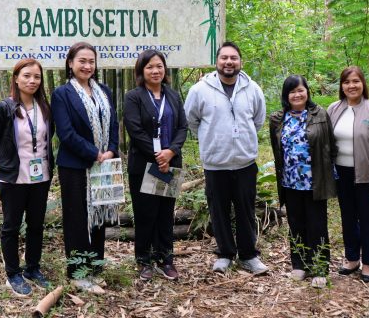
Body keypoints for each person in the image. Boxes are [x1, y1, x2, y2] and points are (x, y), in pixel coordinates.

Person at [184, 41, 268, 275]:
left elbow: (258, 120)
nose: (229, 62)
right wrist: (213, 139)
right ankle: (224, 254)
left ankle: (249, 255)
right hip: (215, 162)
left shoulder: (253, 89)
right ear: (217, 61)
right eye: (224, 58)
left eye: (234, 58)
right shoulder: (200, 90)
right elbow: (191, 119)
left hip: (245, 162)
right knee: (218, 211)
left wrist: (243, 139)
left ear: (240, 62)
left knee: (245, 210)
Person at [51, 42, 119, 289]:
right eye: (82, 61)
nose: (87, 66)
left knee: (98, 214)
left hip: (104, 164)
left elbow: (113, 123)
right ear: (70, 63)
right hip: (75, 166)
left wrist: (111, 149)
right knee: (77, 217)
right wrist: (94, 153)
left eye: (91, 61)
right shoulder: (62, 94)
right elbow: (65, 133)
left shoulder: (104, 90)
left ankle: (96, 266)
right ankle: (79, 272)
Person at [0, 59, 54, 296]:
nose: (32, 81)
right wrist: (6, 166)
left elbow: (47, 140)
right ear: (16, 78)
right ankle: (13, 273)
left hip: (40, 178)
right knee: (11, 227)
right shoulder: (4, 108)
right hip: (13, 180)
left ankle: (32, 268)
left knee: (36, 225)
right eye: (26, 76)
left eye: (36, 76)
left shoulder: (44, 107)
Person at [123, 50, 188, 281]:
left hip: (169, 163)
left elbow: (182, 127)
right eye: (150, 67)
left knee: (165, 213)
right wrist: (157, 155)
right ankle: (144, 259)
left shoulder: (172, 95)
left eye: (159, 66)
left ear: (165, 69)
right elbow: (135, 130)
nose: (155, 70)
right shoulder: (134, 96)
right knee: (145, 213)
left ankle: (166, 259)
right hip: (144, 164)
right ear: (141, 70)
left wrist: (170, 152)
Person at [269, 75, 338, 288]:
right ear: (286, 95)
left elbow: (331, 146)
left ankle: (319, 267)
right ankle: (299, 264)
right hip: (290, 181)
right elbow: (276, 149)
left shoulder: (320, 114)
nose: (297, 95)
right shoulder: (277, 119)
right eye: (292, 91)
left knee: (317, 224)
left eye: (301, 90)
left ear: (307, 92)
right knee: (296, 224)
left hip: (315, 180)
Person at [327, 66, 369, 283]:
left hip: (366, 174)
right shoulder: (334, 109)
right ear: (341, 86)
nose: (351, 86)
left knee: (367, 219)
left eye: (356, 81)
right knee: (347, 217)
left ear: (363, 84)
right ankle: (351, 258)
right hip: (341, 173)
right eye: (346, 82)